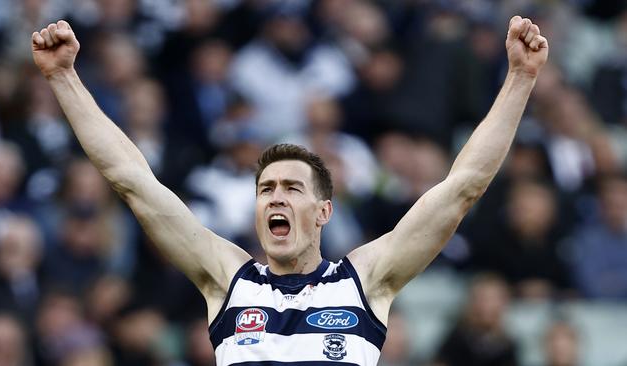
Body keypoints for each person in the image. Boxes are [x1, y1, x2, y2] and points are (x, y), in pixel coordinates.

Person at [30, 15, 548, 365]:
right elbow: (133, 182)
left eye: (291, 188)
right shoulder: (226, 279)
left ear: (323, 210)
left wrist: (521, 78)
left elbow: (463, 188)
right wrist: (63, 79)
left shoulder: (366, 281)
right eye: (265, 189)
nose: (275, 197)